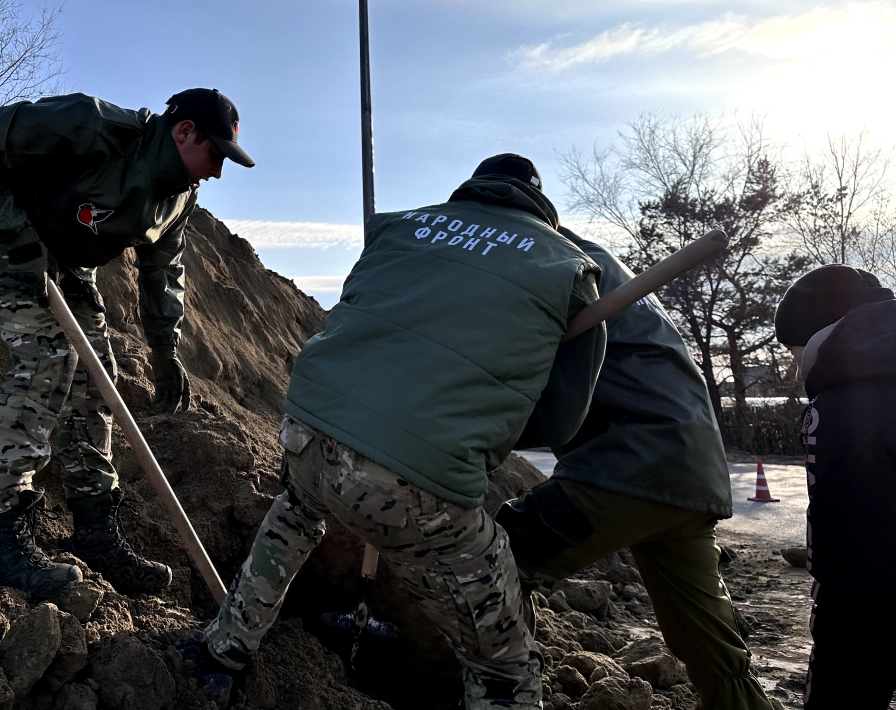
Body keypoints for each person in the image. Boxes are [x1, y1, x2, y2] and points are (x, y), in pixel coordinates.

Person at [186, 154, 607, 709]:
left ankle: (221, 653)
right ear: (538, 201)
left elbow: (360, 316)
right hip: (422, 481)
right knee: (504, 663)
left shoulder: (398, 226)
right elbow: (562, 421)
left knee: (295, 512)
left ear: (473, 187)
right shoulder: (568, 270)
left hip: (307, 427)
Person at [0, 88, 254, 599]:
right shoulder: (92, 125)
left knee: (99, 379)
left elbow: (163, 271)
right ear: (184, 131)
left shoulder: (179, 195)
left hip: (63, 254)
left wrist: (165, 351)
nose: (215, 172)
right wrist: (16, 233)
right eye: (214, 155)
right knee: (48, 357)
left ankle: (94, 528)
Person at [495, 230, 773, 710]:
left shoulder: (540, 264)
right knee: (710, 644)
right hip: (691, 472)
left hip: (626, 466)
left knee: (495, 556)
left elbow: (525, 389)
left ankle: (499, 693)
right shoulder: (600, 269)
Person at [773, 264, 896, 710]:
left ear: (821, 334)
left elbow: (846, 535)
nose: (795, 368)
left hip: (866, 612)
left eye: (793, 351)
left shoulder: (843, 405)